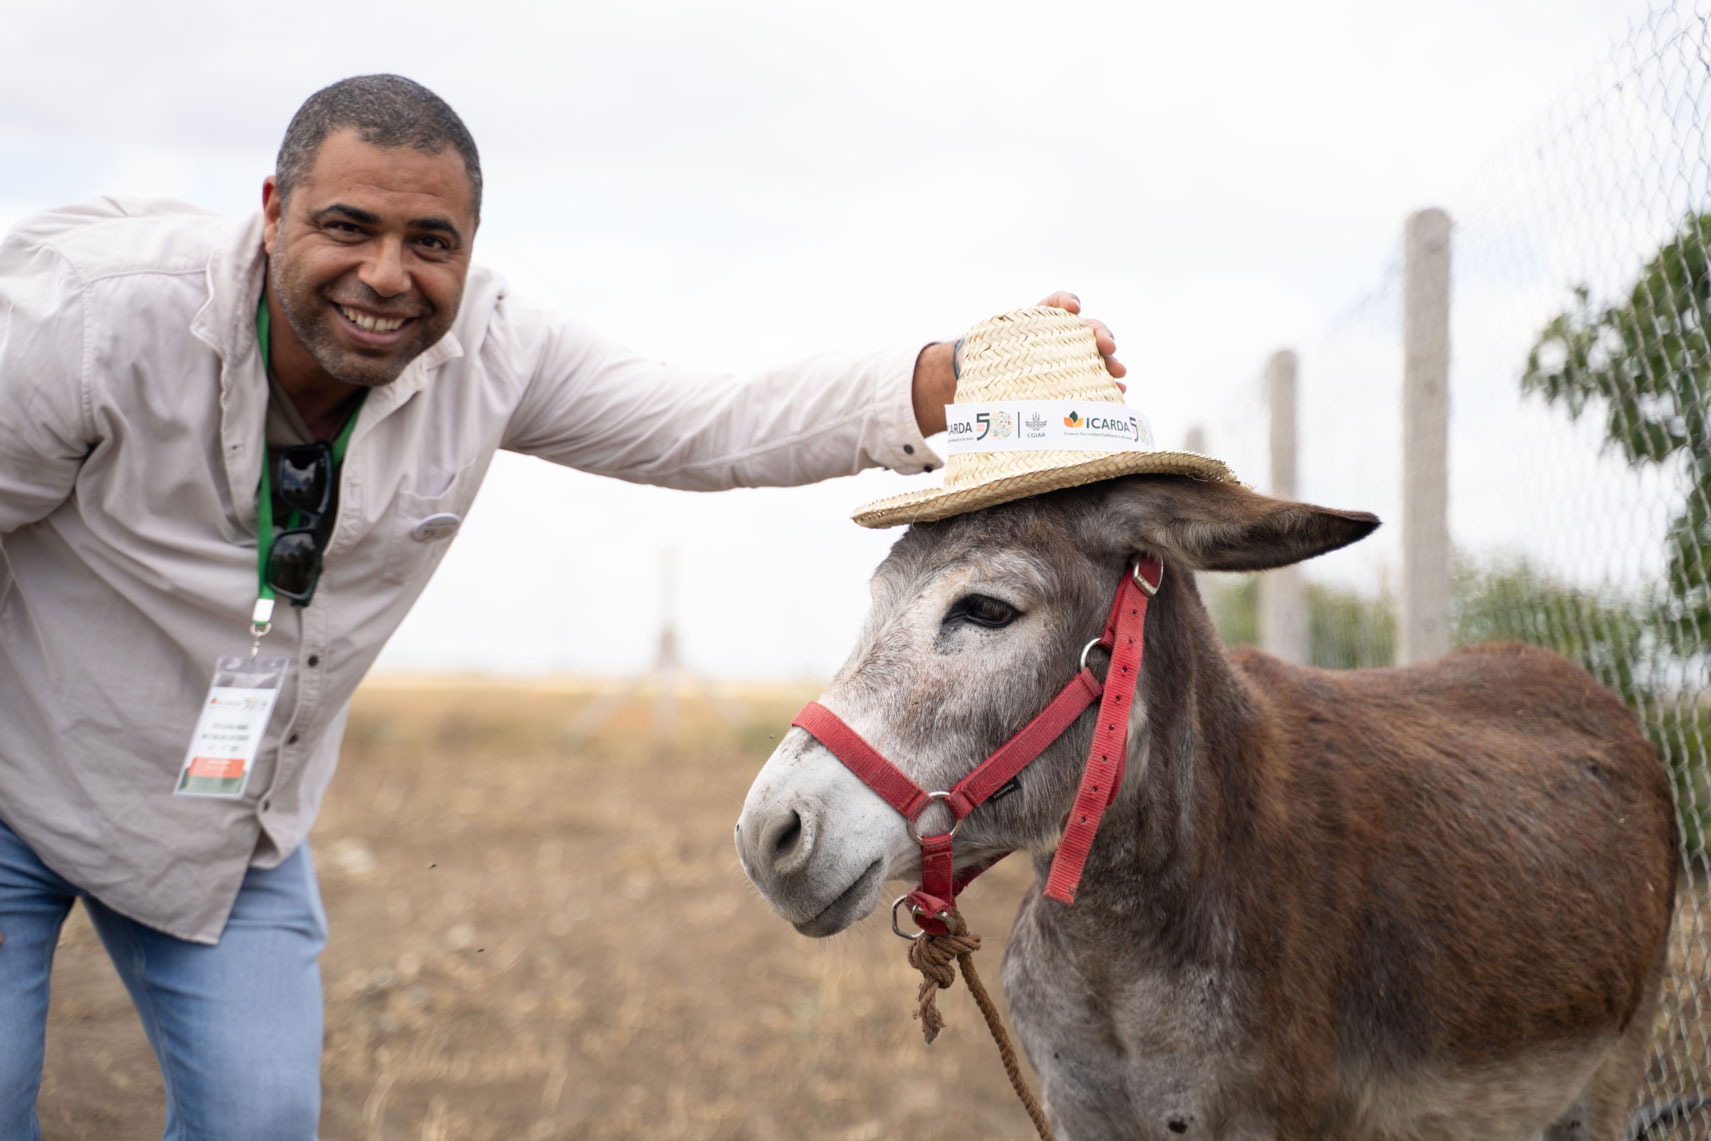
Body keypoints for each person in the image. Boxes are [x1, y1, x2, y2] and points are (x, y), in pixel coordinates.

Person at [0, 73, 1126, 1139]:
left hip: (229, 826)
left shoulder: (492, 349)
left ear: (471, 251)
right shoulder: (95, 323)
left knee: (260, 1121)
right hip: (15, 786)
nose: (387, 275)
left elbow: (706, 423)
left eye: (429, 243)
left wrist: (930, 381)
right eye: (348, 227)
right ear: (271, 212)